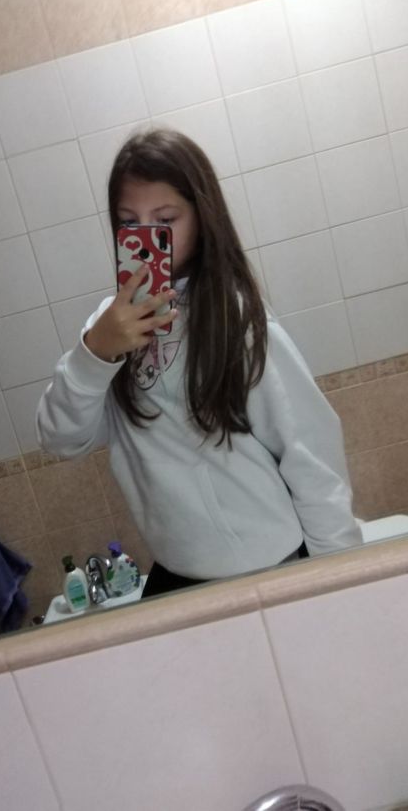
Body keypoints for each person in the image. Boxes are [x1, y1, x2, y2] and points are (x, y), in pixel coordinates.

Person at [36, 128, 361, 599]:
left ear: (202, 218)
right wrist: (95, 353)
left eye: (165, 219)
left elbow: (309, 450)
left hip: (269, 568)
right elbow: (60, 440)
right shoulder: (106, 329)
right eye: (129, 222)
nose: (147, 237)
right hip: (178, 576)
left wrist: (341, 580)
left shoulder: (235, 318)